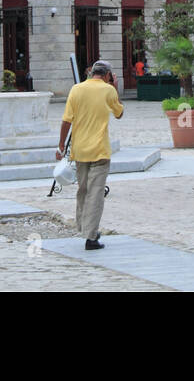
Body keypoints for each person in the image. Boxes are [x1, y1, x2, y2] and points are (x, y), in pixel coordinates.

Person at [57, 60, 124, 250]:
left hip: (80, 150)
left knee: (83, 191)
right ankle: (91, 236)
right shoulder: (108, 90)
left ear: (91, 73)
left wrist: (61, 144)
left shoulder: (76, 89)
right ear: (107, 75)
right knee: (96, 193)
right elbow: (119, 113)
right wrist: (115, 88)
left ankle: (84, 227)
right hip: (100, 150)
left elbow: (66, 121)